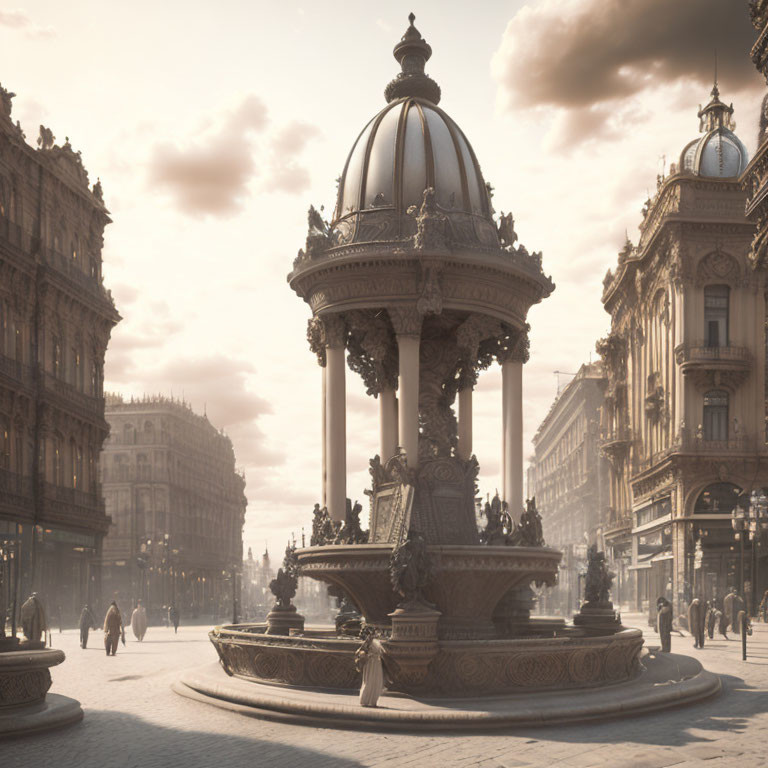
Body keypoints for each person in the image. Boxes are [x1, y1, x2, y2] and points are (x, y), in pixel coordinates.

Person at [355, 632, 385, 707]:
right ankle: (365, 700)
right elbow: (360, 652)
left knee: (376, 681)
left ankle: (373, 701)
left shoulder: (378, 642)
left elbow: (382, 652)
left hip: (377, 663)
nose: (378, 634)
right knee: (369, 680)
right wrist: (368, 656)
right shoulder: (368, 641)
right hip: (371, 663)